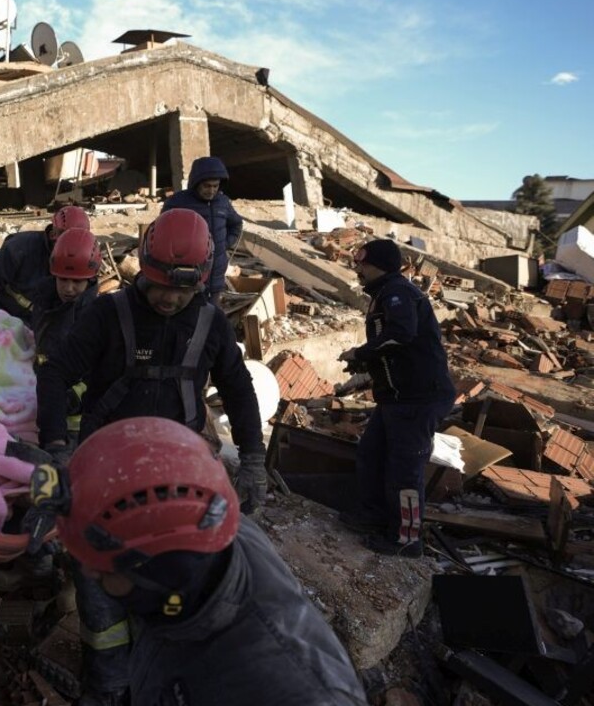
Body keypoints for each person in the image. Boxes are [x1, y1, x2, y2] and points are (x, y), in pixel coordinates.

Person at [32, 208, 267, 706]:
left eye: (180, 291)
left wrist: (253, 459)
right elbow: (54, 374)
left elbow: (240, 389)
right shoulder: (108, 314)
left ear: (200, 282)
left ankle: (158, 682)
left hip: (178, 476)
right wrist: (55, 446)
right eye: (160, 286)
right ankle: (110, 684)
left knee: (171, 585)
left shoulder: (210, 323)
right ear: (144, 268)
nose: (168, 298)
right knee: (99, 583)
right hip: (106, 470)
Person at [47, 417, 368, 705]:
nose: (89, 571)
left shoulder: (292, 691)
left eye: (104, 570)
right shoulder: (205, 540)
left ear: (164, 574)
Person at [339, 239, 455, 557]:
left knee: (404, 470)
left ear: (378, 265)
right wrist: (363, 362)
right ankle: (375, 517)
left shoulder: (397, 293)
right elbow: (394, 345)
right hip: (397, 397)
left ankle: (406, 540)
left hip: (417, 399)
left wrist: (362, 352)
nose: (357, 268)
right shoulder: (385, 294)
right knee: (372, 453)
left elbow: (402, 334)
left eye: (362, 262)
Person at [30, 227, 101, 441]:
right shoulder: (44, 297)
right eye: (63, 280)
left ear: (90, 280)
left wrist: (76, 394)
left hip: (75, 414)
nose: (68, 288)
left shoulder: (95, 316)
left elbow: (99, 370)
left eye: (77, 282)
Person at [0, 205, 90, 322]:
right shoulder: (19, 247)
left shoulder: (87, 258)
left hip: (42, 323)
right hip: (7, 317)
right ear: (53, 235)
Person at [160, 156, 244, 305]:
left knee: (211, 316)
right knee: (188, 316)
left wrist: (223, 244)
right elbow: (162, 229)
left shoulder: (223, 203)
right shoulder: (178, 202)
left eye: (215, 186)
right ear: (196, 183)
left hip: (216, 275)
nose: (211, 190)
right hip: (189, 276)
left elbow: (236, 224)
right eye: (207, 186)